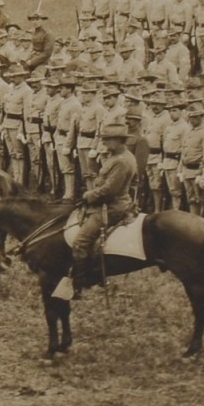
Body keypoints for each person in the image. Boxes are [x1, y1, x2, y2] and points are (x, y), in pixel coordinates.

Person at [72, 122, 141, 292]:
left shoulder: (122, 161)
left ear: (119, 140)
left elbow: (110, 191)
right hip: (113, 202)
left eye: (108, 140)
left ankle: (79, 284)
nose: (104, 143)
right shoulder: (120, 156)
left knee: (80, 243)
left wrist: (89, 195)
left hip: (112, 206)